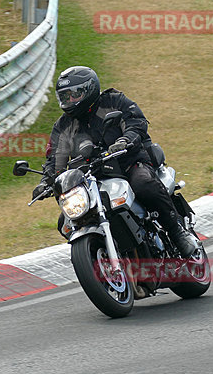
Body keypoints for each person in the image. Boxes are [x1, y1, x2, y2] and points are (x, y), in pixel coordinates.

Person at [33, 65, 199, 257]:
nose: (69, 100)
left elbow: (136, 122)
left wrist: (125, 140)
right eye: (65, 96)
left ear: (89, 89)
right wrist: (47, 180)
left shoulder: (113, 101)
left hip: (129, 162)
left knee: (144, 184)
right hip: (94, 178)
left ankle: (177, 233)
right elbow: (55, 157)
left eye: (74, 95)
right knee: (66, 221)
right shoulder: (63, 126)